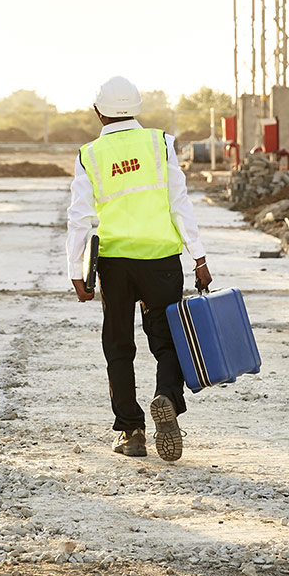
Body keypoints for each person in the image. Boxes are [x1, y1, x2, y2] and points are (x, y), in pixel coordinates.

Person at [66, 75, 212, 461]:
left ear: (98, 112)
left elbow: (79, 217)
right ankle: (166, 395)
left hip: (114, 265)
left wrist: (76, 271)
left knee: (118, 344)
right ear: (137, 109)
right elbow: (180, 202)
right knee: (168, 340)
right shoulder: (159, 143)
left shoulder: (90, 155)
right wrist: (199, 256)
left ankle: (131, 431)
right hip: (162, 261)